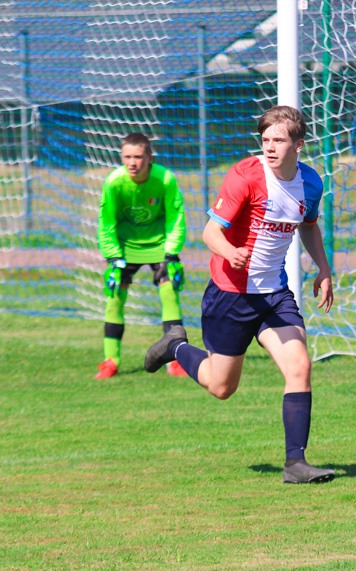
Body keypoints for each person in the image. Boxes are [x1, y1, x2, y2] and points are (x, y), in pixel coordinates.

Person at [144, 105, 335, 484]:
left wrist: (324, 269)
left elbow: (309, 227)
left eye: (278, 140)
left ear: (299, 144)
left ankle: (295, 464)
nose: (269, 147)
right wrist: (229, 251)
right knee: (221, 387)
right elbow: (209, 232)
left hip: (273, 296)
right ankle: (175, 346)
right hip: (230, 295)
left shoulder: (311, 183)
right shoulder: (245, 176)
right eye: (265, 140)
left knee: (300, 365)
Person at [95, 132, 188, 379]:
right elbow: (107, 223)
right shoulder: (114, 182)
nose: (132, 162)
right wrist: (113, 257)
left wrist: (171, 252)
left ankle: (175, 361)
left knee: (169, 294)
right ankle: (110, 362)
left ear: (149, 157)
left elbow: (175, 217)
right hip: (125, 247)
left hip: (158, 244)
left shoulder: (165, 179)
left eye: (137, 157)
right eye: (127, 157)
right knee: (114, 297)